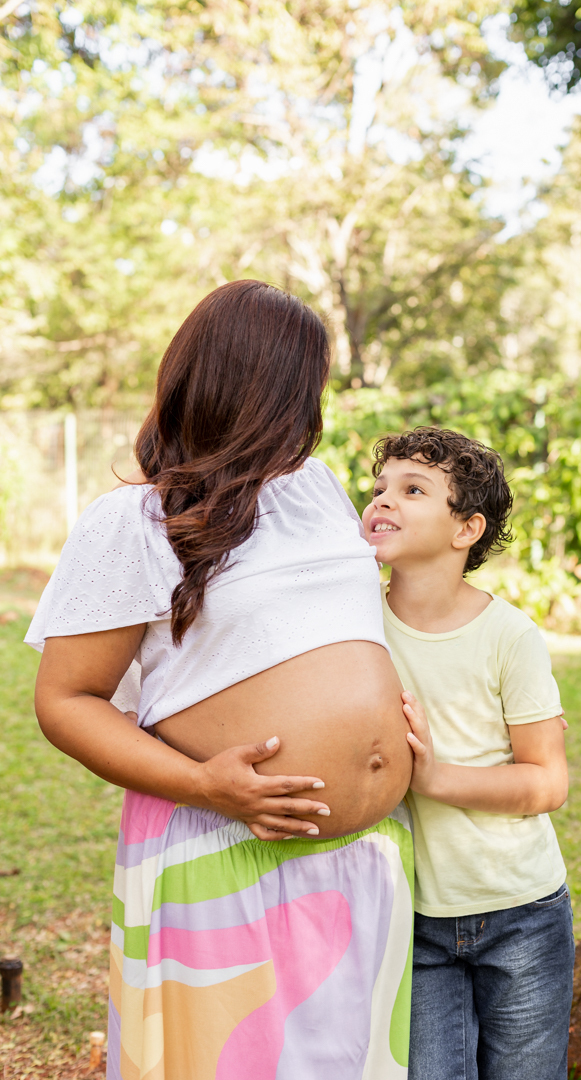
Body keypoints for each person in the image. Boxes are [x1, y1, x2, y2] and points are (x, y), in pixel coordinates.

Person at [26, 280, 414, 1080]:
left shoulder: (314, 488)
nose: (315, 409)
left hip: (362, 864)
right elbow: (66, 701)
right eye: (303, 387)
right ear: (251, 387)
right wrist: (205, 783)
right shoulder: (134, 521)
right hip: (229, 854)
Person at [361, 427, 574, 1080]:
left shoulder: (511, 637)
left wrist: (436, 777)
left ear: (466, 529)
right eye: (378, 488)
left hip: (522, 915)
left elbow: (547, 782)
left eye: (412, 489)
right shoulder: (356, 624)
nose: (382, 501)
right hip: (413, 919)